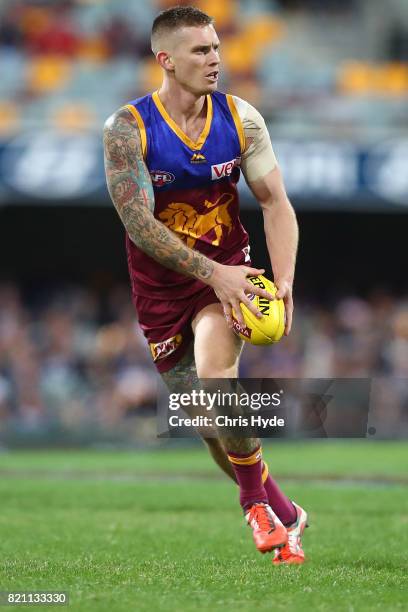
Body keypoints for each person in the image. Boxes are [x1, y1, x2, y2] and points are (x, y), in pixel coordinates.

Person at [103, 5, 307, 564]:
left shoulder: (243, 120)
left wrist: (282, 279)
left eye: (216, 47)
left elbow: (275, 203)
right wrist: (208, 273)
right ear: (166, 60)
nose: (215, 59)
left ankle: (253, 505)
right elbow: (138, 223)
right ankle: (284, 509)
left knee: (219, 378)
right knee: (207, 422)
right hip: (162, 288)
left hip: (230, 274)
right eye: (200, 50)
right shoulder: (128, 129)